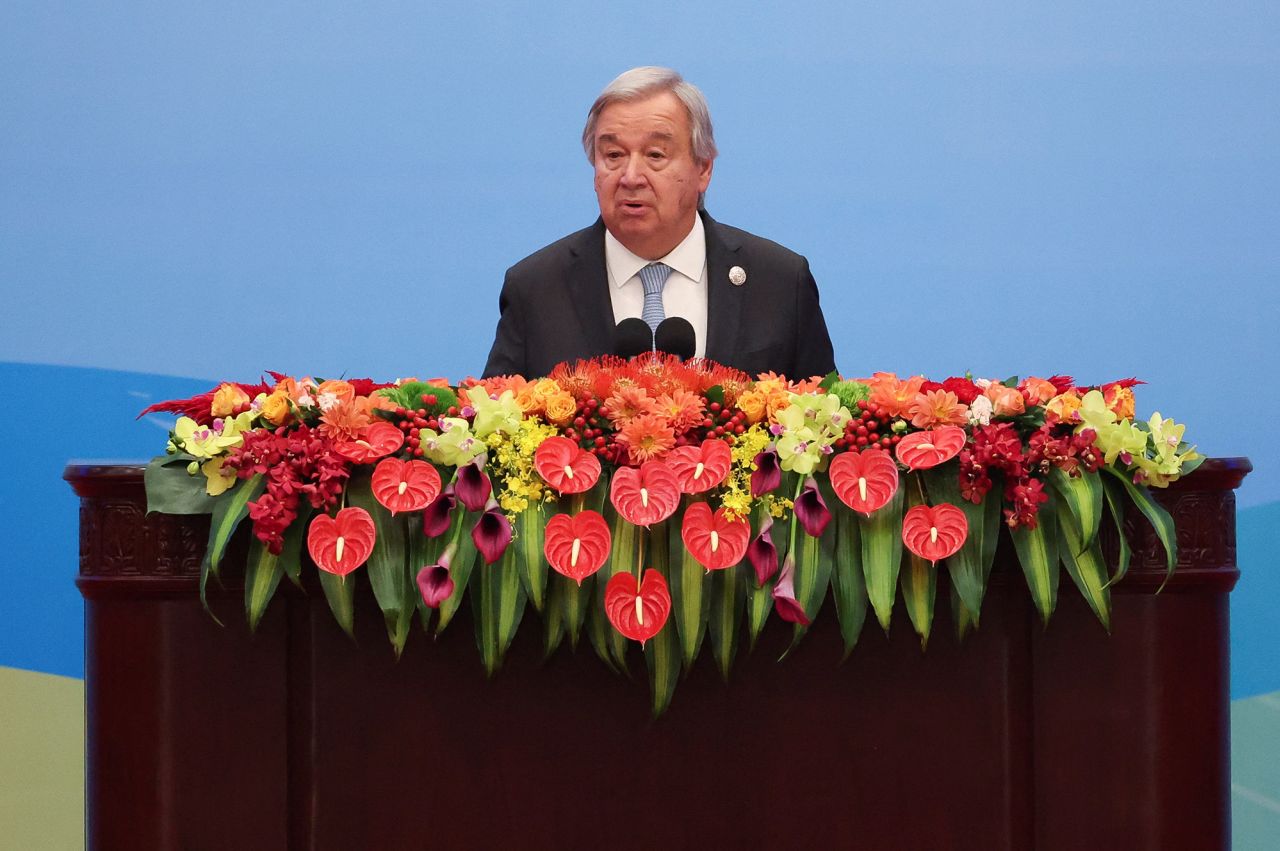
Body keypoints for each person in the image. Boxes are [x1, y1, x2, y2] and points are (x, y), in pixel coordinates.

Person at [481, 67, 836, 380]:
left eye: (655, 155)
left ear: (703, 168)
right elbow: (495, 437)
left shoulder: (779, 282)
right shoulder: (536, 288)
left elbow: (826, 432)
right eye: (613, 155)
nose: (631, 176)